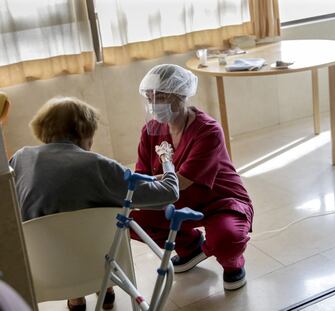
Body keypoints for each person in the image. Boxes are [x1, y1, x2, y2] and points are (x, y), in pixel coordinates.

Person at [9, 96, 178, 311]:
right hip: (102, 266)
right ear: (85, 131)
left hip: (46, 273)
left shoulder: (20, 159)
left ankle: (76, 298)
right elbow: (169, 192)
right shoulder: (100, 165)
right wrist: (166, 160)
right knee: (103, 205)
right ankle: (106, 286)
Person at [130, 64, 254, 291]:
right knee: (131, 220)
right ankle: (190, 247)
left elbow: (182, 181)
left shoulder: (208, 130)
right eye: (150, 99)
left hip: (219, 199)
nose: (154, 105)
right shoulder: (151, 131)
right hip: (178, 200)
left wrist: (140, 185)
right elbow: (141, 174)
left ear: (181, 95)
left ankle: (232, 262)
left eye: (161, 97)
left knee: (226, 238)